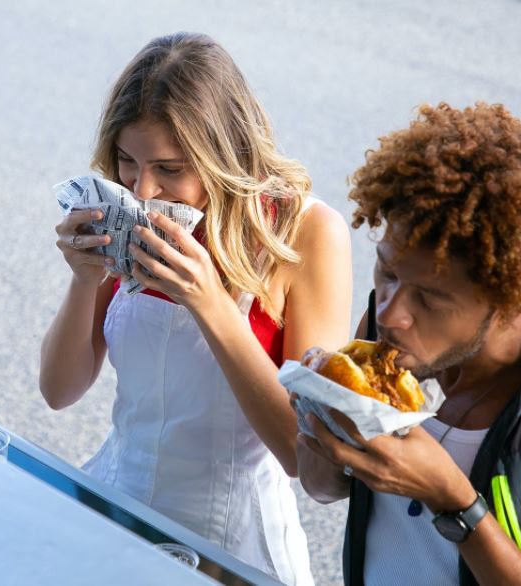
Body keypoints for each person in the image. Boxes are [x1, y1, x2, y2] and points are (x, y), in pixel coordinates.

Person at [296, 102, 521, 585]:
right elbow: (322, 487)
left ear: (516, 298)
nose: (390, 312)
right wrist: (320, 424)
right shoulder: (392, 336)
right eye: (386, 271)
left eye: (431, 298)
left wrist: (457, 504)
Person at [39, 32, 352, 584]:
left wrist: (211, 303)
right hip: (117, 511)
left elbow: (304, 458)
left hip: (234, 550)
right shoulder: (127, 209)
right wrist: (83, 283)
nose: (145, 189)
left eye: (171, 169)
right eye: (127, 162)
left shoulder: (308, 232)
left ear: (225, 155)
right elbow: (58, 391)